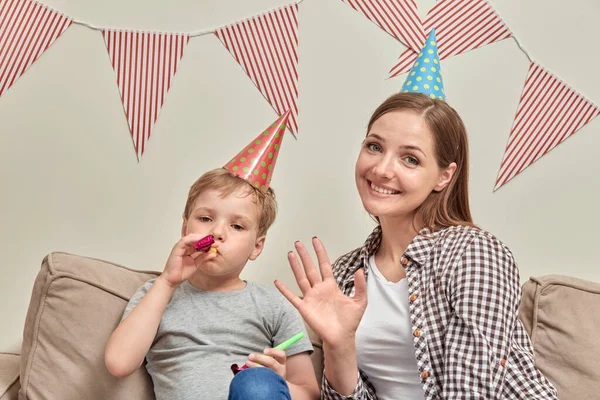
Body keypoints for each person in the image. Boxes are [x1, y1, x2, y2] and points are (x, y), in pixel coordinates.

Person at [275, 31, 558, 400]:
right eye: (374, 147)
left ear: (444, 175)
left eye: (410, 158)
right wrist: (339, 348)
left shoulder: (474, 253)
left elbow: (471, 393)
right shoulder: (346, 274)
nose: (381, 169)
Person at [104, 112, 319, 400]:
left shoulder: (274, 306)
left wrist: (278, 383)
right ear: (185, 228)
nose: (218, 232)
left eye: (237, 226)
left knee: (256, 384)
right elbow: (118, 363)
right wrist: (167, 282)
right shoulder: (155, 296)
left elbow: (309, 392)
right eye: (206, 218)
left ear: (257, 246)